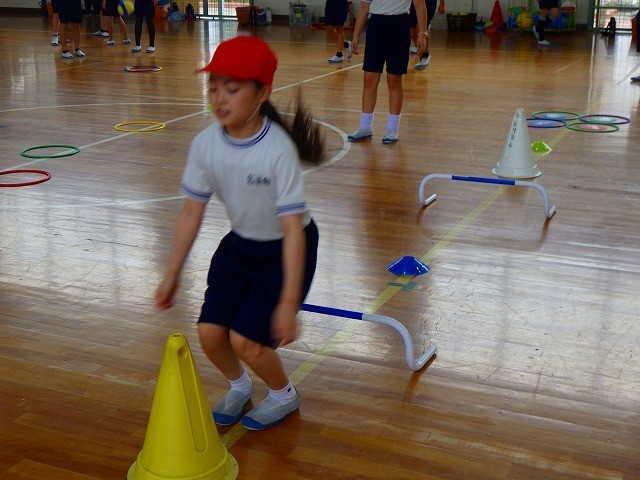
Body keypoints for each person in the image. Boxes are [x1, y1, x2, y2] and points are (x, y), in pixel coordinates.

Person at [155, 36, 325, 431]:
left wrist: (288, 303)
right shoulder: (205, 145)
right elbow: (191, 212)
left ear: (262, 93)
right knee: (211, 333)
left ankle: (283, 394)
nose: (219, 98)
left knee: (246, 340)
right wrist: (171, 274)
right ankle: (239, 386)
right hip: (240, 245)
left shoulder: (277, 150)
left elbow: (292, 230)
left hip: (287, 248)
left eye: (232, 89)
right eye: (213, 87)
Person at [348, 0, 427, 144]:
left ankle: (392, 128)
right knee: (369, 79)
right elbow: (364, 6)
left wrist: (422, 33)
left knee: (394, 80)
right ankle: (365, 127)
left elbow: (419, 4)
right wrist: (356, 35)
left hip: (399, 25)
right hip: (376, 25)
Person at [410, 0, 445, 69]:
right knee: (411, 29)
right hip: (412, 3)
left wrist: (442, 4)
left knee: (419, 29)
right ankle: (418, 47)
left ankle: (425, 55)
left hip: (428, 3)